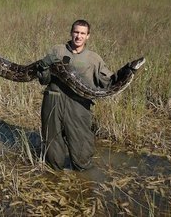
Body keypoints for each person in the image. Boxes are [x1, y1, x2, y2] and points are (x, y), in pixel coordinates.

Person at [37, 19, 116, 171]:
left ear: (88, 36)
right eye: (76, 32)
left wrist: (126, 74)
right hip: (53, 100)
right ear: (71, 33)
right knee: (52, 145)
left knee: (81, 149)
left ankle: (82, 181)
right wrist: (43, 66)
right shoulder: (57, 50)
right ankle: (55, 179)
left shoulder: (93, 59)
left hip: (78, 105)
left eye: (82, 33)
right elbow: (44, 80)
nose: (78, 36)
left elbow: (108, 83)